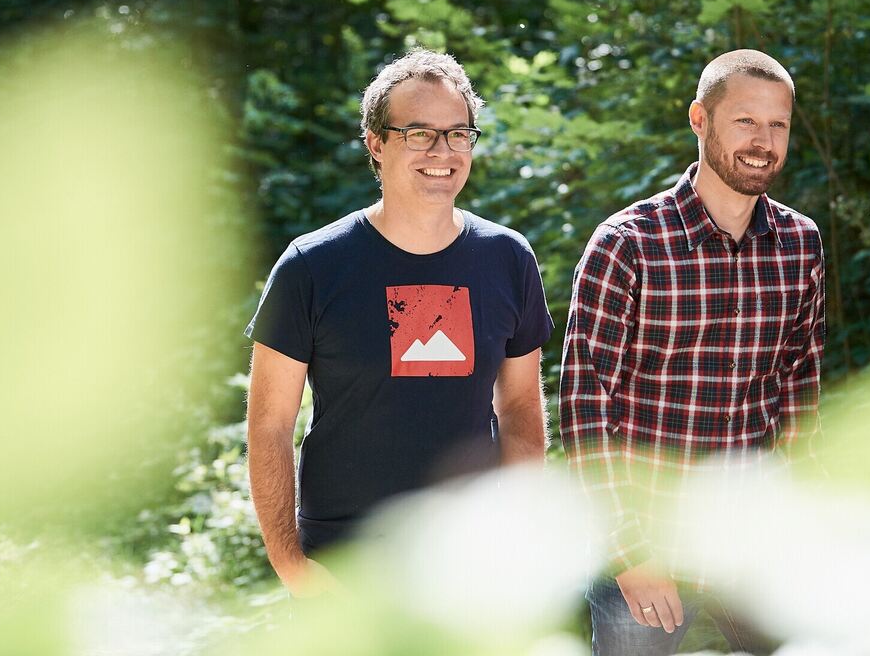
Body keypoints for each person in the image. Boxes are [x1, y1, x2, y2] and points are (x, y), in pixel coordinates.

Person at [245, 49, 554, 597]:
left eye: (458, 134)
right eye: (419, 133)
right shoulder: (311, 266)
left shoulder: (508, 258)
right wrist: (292, 566)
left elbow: (521, 410)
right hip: (345, 567)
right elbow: (270, 425)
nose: (442, 151)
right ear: (375, 142)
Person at [560, 50, 825, 655]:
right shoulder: (628, 243)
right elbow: (585, 410)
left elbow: (799, 398)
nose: (763, 142)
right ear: (700, 119)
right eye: (745, 121)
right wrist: (630, 553)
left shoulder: (800, 244)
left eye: (778, 125)